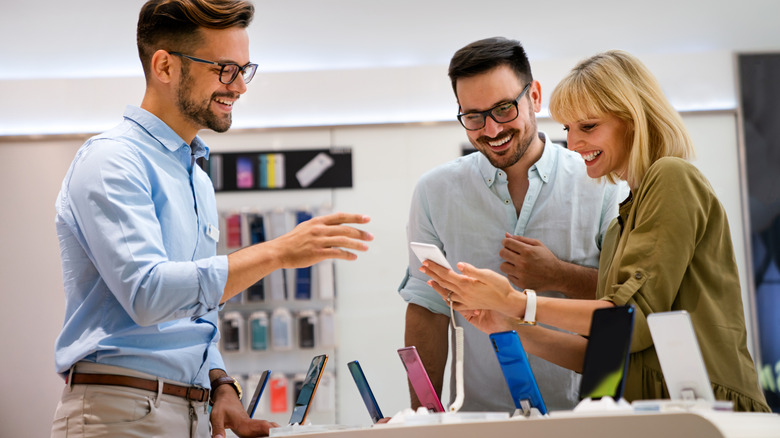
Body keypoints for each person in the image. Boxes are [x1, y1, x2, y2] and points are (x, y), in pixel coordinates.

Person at [50, 1, 373, 437]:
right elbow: (149, 294)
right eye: (225, 69)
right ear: (164, 66)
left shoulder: (196, 175)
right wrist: (276, 251)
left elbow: (195, 311)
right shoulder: (113, 160)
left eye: (244, 69)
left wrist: (220, 382)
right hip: (121, 412)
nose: (240, 87)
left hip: (192, 410)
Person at [421, 50, 770, 412]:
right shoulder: (621, 225)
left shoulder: (672, 177)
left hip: (710, 416)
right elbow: (607, 351)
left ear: (633, 120)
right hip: (655, 414)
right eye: (568, 129)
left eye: (588, 127)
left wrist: (516, 302)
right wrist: (507, 326)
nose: (573, 145)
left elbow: (628, 321)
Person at [398, 37, 626, 413]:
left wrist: (560, 276)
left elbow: (625, 302)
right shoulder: (434, 192)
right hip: (479, 420)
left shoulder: (601, 182)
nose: (490, 130)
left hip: (586, 417)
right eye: (473, 116)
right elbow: (427, 308)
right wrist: (423, 415)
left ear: (534, 97)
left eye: (504, 108)